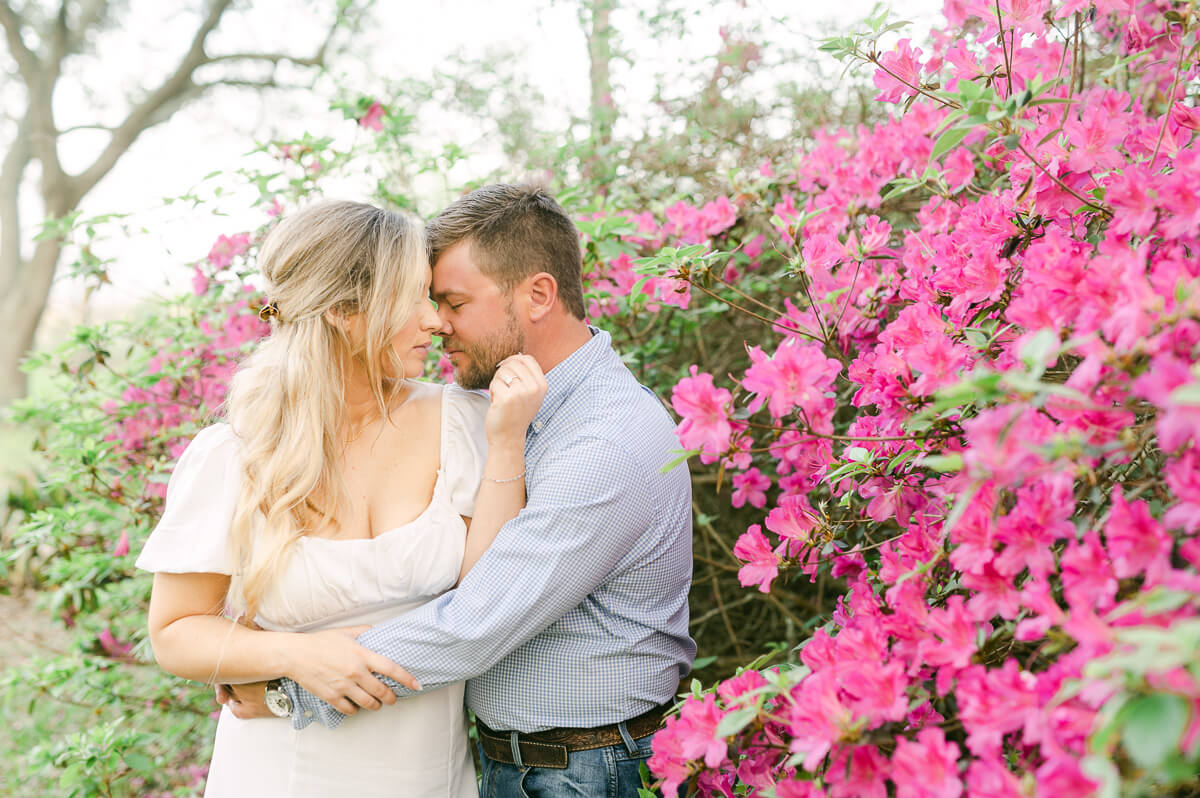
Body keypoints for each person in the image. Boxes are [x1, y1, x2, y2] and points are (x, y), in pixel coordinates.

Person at [228, 184, 696, 798]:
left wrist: (289, 686)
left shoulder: (604, 440)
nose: (436, 323)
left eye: (453, 301)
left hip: (582, 768)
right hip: (514, 761)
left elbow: (479, 620)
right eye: (426, 300)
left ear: (537, 295)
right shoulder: (505, 409)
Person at [137, 199, 547, 797]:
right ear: (345, 312)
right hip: (279, 770)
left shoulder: (465, 424)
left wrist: (507, 444)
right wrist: (296, 658)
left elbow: (485, 599)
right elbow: (174, 631)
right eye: (413, 298)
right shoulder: (234, 453)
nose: (436, 321)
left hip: (426, 775)